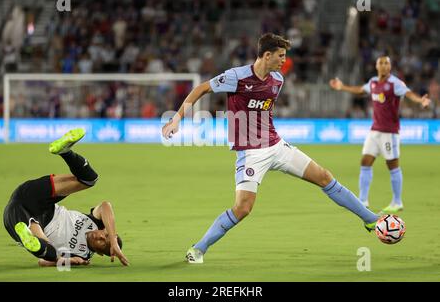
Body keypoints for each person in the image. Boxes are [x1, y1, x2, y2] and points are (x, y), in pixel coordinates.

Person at [162, 33, 381, 264]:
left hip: (277, 146)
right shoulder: (236, 76)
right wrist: (177, 119)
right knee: (243, 208)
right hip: (250, 153)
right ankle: (198, 249)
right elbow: (201, 90)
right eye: (281, 56)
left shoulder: (277, 80)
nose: (284, 61)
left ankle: (370, 219)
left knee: (324, 176)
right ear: (267, 55)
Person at [3, 128, 129, 267]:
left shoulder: (82, 255)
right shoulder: (95, 222)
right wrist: (113, 238)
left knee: (49, 252)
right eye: (105, 236)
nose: (100, 237)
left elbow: (42, 262)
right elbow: (105, 205)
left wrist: (68, 261)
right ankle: (65, 151)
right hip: (38, 199)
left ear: (99, 253)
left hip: (25, 221)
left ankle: (27, 237)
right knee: (90, 179)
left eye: (103, 243)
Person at [329, 56, 431, 213]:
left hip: (389, 133)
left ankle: (397, 201)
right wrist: (342, 87)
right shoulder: (373, 82)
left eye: (387, 63)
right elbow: (360, 90)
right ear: (376, 66)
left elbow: (409, 94)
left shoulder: (395, 84)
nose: (384, 66)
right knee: (365, 161)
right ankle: (363, 200)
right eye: (381, 63)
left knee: (392, 165)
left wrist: (421, 101)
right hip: (374, 131)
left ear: (390, 66)